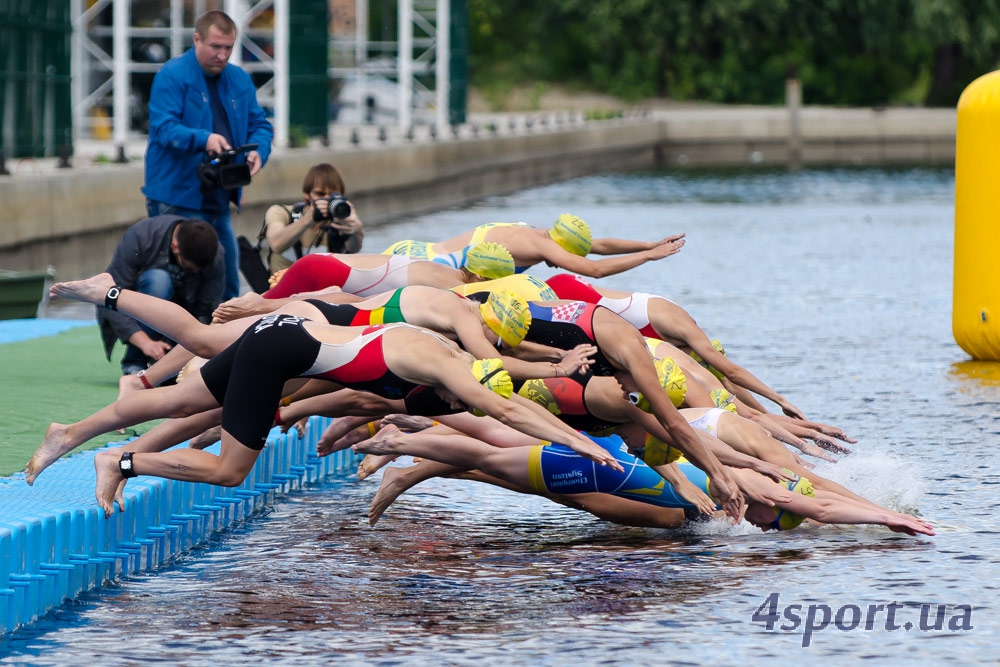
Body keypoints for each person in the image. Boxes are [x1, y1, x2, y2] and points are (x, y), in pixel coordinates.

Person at [29, 275, 624, 511]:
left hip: (289, 335)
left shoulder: (447, 358)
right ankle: (121, 459)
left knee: (172, 399)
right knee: (231, 470)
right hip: (284, 344)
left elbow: (507, 395)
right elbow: (505, 406)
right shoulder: (448, 366)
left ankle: (69, 434)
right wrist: (584, 445)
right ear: (460, 386)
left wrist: (556, 380)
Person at [353, 426, 935, 536]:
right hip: (626, 468)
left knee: (519, 470)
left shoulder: (743, 488)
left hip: (653, 493)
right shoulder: (759, 492)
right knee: (509, 458)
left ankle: (416, 457)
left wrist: (879, 511)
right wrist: (888, 515)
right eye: (780, 520)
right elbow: (818, 508)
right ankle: (403, 448)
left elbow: (818, 502)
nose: (770, 522)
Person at [143, 9, 274, 301]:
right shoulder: (172, 75)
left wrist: (259, 153)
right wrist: (205, 139)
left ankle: (219, 341)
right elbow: (163, 128)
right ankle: (173, 341)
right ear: (196, 40)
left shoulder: (239, 79)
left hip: (217, 195)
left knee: (227, 279)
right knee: (179, 282)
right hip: (174, 196)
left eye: (228, 47)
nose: (222, 55)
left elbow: (260, 125)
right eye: (215, 46)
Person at [98, 215, 224, 377]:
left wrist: (198, 351)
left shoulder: (215, 254)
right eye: (187, 266)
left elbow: (206, 309)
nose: (193, 272)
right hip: (146, 301)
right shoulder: (141, 236)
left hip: (184, 310)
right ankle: (135, 360)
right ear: (175, 246)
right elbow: (109, 295)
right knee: (158, 281)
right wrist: (145, 343)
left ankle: (171, 362)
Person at [382, 214, 685, 278]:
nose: (561, 260)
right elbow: (594, 269)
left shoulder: (538, 232)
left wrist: (646, 243)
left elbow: (598, 246)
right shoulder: (539, 246)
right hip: (427, 267)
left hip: (414, 248)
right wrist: (649, 256)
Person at [254, 242, 516, 300]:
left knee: (255, 310)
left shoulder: (443, 269)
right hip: (320, 273)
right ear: (481, 277)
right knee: (247, 318)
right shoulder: (453, 289)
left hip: (322, 264)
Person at [259, 163, 364, 274]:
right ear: (307, 196)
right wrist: (307, 220)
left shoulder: (340, 221)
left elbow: (354, 249)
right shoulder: (281, 212)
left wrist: (356, 230)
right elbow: (276, 244)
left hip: (325, 288)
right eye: (320, 194)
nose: (327, 200)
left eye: (333, 195)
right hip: (282, 286)